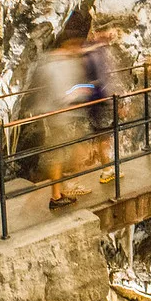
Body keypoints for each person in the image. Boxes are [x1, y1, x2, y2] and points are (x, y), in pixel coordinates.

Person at [34, 28, 91, 209]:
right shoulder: (59, 64)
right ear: (68, 44)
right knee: (61, 154)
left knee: (67, 151)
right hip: (61, 116)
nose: (78, 49)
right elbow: (63, 92)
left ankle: (64, 187)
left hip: (59, 115)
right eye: (75, 45)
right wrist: (81, 91)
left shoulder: (51, 62)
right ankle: (58, 194)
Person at [81, 26, 124, 184]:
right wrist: (116, 102)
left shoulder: (86, 51)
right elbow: (104, 80)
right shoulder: (97, 53)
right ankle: (107, 170)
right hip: (102, 100)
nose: (112, 36)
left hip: (92, 101)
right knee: (104, 137)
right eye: (110, 32)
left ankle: (108, 168)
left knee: (101, 136)